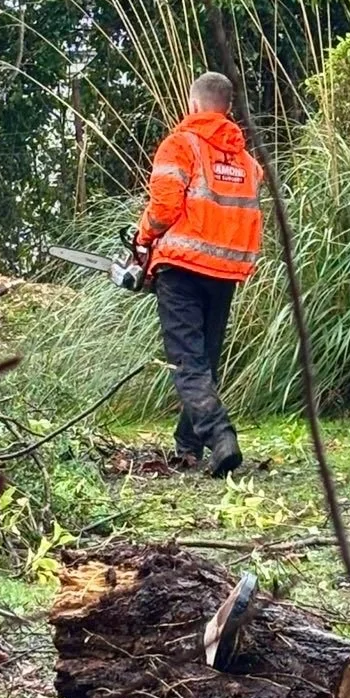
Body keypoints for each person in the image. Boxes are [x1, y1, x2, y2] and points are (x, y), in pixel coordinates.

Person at [135, 71, 263, 477]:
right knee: (205, 356)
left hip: (182, 269)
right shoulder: (247, 163)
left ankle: (220, 436)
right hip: (225, 271)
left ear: (193, 104)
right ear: (227, 108)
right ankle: (188, 443)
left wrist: (142, 238)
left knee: (187, 360)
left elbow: (163, 208)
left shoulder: (179, 145)